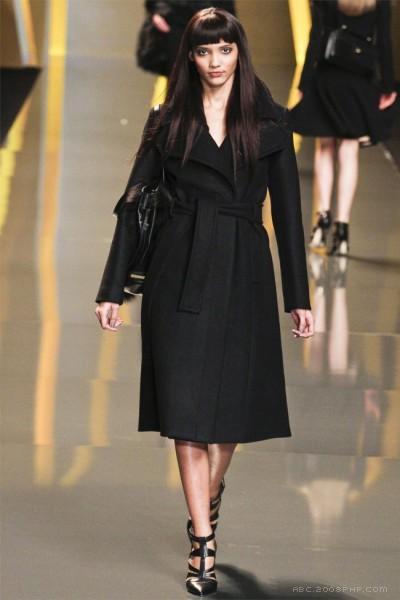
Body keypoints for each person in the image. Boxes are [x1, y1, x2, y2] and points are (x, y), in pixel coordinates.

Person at [95, 7, 314, 596]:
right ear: (189, 57)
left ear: (239, 53)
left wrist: (299, 297)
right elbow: (133, 204)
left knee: (229, 414)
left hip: (244, 272)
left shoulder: (269, 122)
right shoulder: (167, 121)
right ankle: (203, 541)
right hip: (179, 270)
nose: (215, 62)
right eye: (203, 51)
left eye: (224, 50)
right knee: (187, 413)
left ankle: (209, 495)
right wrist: (112, 288)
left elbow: (289, 214)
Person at [288, 0, 398, 256]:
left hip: (328, 77)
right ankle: (343, 228)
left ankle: (321, 220)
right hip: (358, 82)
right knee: (348, 152)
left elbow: (317, 36)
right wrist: (388, 86)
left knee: (324, 148)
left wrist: (304, 83)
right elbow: (384, 42)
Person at [145, 0, 236, 74]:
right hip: (174, 21)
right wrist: (157, 12)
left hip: (211, 19)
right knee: (178, 71)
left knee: (213, 67)